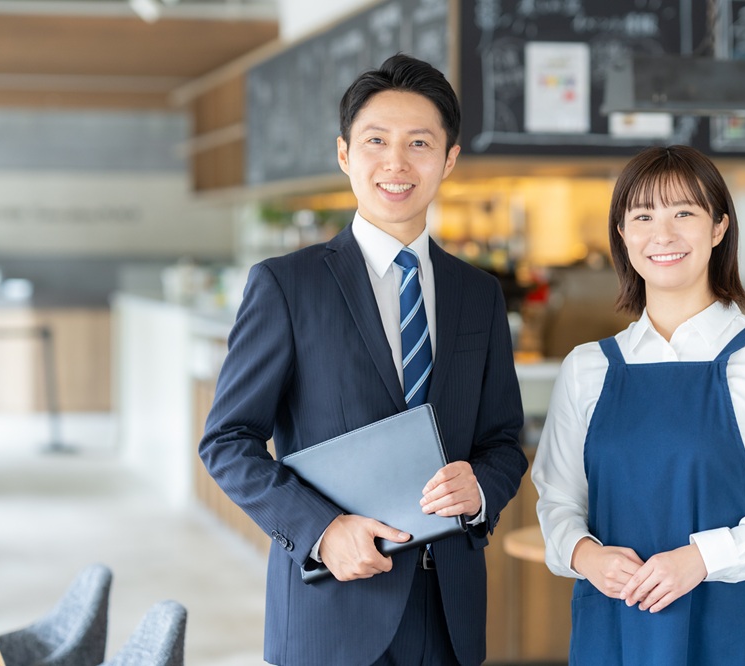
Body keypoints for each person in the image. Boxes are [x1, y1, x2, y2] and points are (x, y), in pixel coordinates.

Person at [199, 54, 528, 666]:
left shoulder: (478, 294)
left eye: (419, 143)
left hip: (448, 609)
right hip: (333, 608)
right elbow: (228, 441)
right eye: (376, 141)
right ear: (346, 154)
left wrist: (482, 487)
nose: (396, 163)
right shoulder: (285, 285)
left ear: (449, 160)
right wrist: (322, 530)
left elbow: (504, 440)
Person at [531, 144, 745, 665]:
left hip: (736, 628)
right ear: (623, 235)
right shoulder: (587, 368)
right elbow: (558, 501)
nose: (663, 233)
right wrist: (587, 558)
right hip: (616, 626)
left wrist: (703, 558)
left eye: (684, 213)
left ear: (719, 227)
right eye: (643, 215)